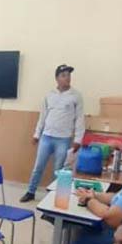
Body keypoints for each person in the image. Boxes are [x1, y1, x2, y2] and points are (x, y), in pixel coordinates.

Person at [20, 64, 85, 203]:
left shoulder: (76, 96)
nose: (67, 78)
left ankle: (55, 196)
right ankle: (31, 192)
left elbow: (80, 119)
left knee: (59, 170)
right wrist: (37, 134)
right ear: (57, 78)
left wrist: (78, 139)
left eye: (69, 75)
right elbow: (42, 116)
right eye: (63, 75)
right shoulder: (49, 95)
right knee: (38, 167)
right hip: (46, 137)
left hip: (64, 139)